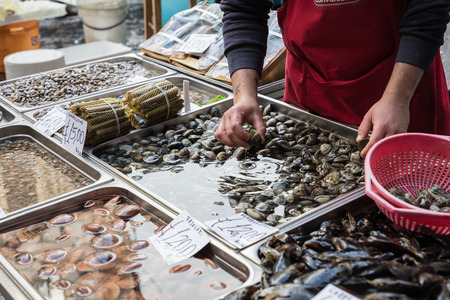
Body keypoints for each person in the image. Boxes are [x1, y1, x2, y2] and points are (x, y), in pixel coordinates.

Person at [214, 0, 450, 157]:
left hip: (401, 90)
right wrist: (244, 96)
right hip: (310, 96)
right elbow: (243, 8)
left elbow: (428, 9)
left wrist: (397, 98)